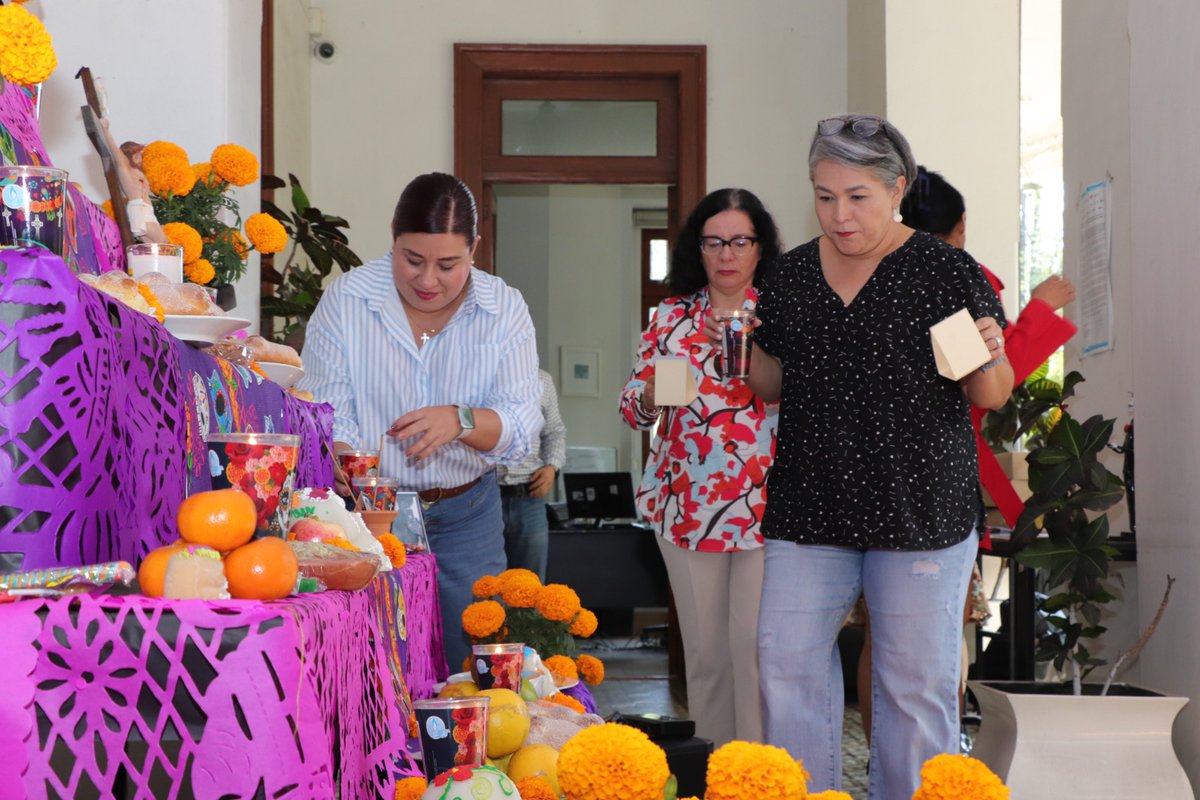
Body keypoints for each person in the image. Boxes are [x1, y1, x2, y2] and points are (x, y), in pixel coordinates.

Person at [709, 115, 1013, 800]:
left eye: (857, 197)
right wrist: (749, 349)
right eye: (823, 196)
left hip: (919, 509)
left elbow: (988, 393)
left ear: (897, 187)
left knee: (913, 684)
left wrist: (991, 351)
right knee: (783, 665)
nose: (839, 214)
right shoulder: (787, 279)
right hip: (811, 505)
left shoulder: (940, 271)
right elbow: (771, 385)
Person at [847, 166, 1079, 746]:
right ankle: (931, 768)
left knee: (884, 641)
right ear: (961, 228)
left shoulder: (868, 279)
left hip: (870, 485)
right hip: (935, 488)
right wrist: (1041, 312)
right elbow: (989, 379)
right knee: (941, 647)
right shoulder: (952, 279)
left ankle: (887, 763)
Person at [298, 172, 542, 670]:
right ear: (393, 236)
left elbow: (522, 429)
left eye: (448, 264)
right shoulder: (347, 301)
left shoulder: (504, 309)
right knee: (375, 666)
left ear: (475, 247)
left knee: (471, 668)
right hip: (367, 519)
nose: (428, 280)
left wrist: (462, 419)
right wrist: (347, 461)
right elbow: (325, 414)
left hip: (467, 515)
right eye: (413, 260)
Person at [619, 188, 782, 747]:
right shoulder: (670, 318)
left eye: (740, 240)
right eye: (714, 242)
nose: (727, 254)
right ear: (698, 248)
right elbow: (631, 408)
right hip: (687, 506)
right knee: (708, 658)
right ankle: (715, 775)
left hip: (768, 506)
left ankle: (757, 778)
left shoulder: (784, 311)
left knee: (755, 654)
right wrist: (646, 397)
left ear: (760, 247)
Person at [497, 368, 567, 581]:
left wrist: (552, 468)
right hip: (484, 497)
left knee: (529, 587)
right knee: (486, 584)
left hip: (530, 496)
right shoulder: (479, 375)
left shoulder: (542, 380)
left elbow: (555, 432)